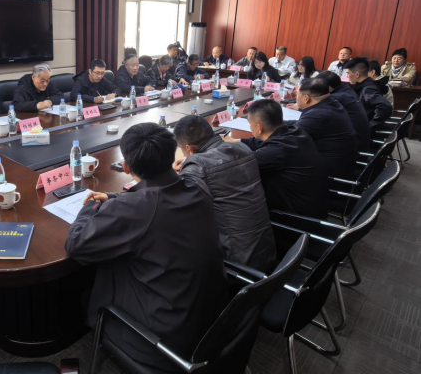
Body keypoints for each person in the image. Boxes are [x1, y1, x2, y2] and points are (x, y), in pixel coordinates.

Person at [66, 124, 227, 371]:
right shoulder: (197, 184)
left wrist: (90, 206)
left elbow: (76, 245)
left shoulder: (134, 209)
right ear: (172, 155)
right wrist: (115, 197)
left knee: (102, 271)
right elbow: (154, 199)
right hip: (211, 317)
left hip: (162, 340)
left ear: (126, 167)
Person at [173, 115, 277, 273]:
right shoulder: (243, 149)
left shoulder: (197, 166)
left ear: (189, 149)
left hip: (238, 263)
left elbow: (180, 210)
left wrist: (182, 172)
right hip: (266, 250)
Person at [224, 100, 328, 218]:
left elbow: (236, 166)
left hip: (295, 219)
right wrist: (236, 141)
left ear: (259, 128)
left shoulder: (276, 151)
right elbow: (264, 142)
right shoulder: (295, 131)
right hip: (312, 207)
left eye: (250, 123)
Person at [287, 79, 357, 180]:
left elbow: (287, 138)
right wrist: (277, 122)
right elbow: (299, 125)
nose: (295, 98)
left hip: (327, 175)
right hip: (340, 165)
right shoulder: (331, 103)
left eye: (296, 95)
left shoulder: (318, 114)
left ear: (306, 98)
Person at [317, 71, 370, 151]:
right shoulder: (346, 90)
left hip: (353, 146)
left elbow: (316, 112)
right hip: (358, 139)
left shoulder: (337, 97)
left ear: (328, 87)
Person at [344, 57, 393, 133]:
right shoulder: (367, 84)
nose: (347, 76)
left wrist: (370, 127)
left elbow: (385, 106)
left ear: (357, 74)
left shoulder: (368, 89)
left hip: (360, 130)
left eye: (348, 73)